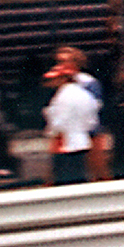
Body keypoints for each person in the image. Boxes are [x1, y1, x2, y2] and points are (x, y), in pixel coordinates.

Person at [42, 50, 100, 185]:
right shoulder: (84, 94)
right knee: (80, 176)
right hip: (81, 141)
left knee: (64, 181)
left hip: (65, 144)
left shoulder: (64, 96)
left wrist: (51, 129)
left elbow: (58, 123)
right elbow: (91, 120)